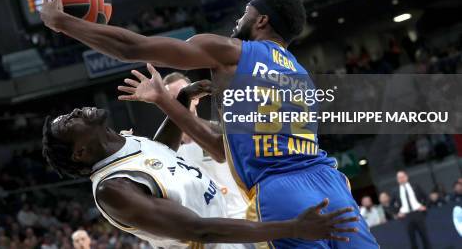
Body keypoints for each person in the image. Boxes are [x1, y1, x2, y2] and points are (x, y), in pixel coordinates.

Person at [40, 0, 377, 248]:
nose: (236, 21)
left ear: (262, 20)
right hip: (329, 181)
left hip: (279, 190)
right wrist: (168, 100)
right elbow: (220, 147)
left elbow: (133, 48)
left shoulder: (231, 51)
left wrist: (62, 23)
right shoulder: (300, 73)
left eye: (245, 14)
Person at [42, 84, 359, 248]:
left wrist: (180, 102)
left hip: (240, 231)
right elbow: (200, 230)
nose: (74, 112)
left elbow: (161, 154)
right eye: (68, 123)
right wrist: (293, 229)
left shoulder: (128, 146)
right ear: (80, 152)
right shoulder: (113, 188)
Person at [163, 72, 249, 222]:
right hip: (206, 227)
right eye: (174, 97)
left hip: (240, 216)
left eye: (185, 94)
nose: (180, 100)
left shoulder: (219, 130)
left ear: (197, 97)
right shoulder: (164, 150)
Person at [391, 171, 432, 249]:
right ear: (397, 180)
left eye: (402, 177)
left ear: (406, 177)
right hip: (406, 216)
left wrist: (425, 206)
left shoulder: (415, 186)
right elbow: (390, 205)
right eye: (399, 178)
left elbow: (426, 197)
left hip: (418, 213)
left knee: (424, 236)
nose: (401, 179)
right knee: (412, 239)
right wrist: (397, 213)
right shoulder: (395, 191)